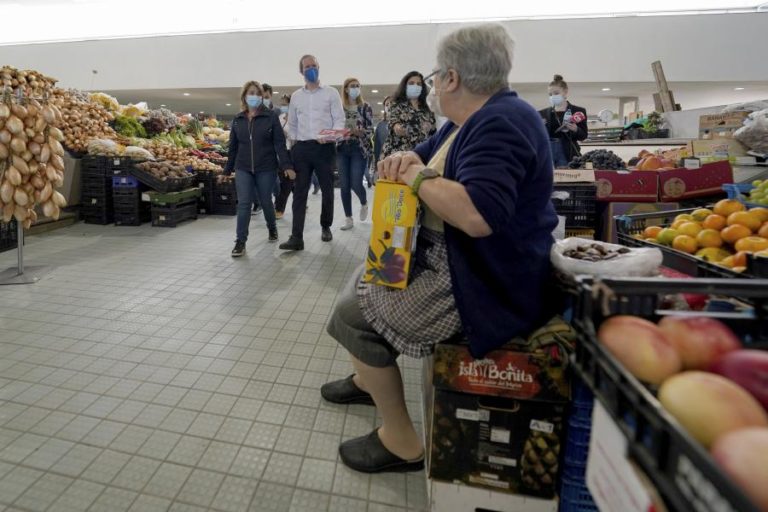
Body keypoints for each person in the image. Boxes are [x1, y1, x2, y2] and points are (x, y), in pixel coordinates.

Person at [319, 24, 558, 474]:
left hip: (482, 281)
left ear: (450, 78)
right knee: (360, 280)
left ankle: (403, 442)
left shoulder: (501, 123)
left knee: (351, 315)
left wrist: (415, 176)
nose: (427, 87)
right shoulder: (469, 122)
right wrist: (408, 160)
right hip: (456, 260)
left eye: (432, 78)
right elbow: (422, 155)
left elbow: (478, 216)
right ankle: (368, 378)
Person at [280, 54, 345, 251]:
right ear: (301, 71)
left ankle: (326, 226)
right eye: (307, 66)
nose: (311, 69)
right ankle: (296, 237)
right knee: (299, 193)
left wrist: (330, 136)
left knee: (327, 190)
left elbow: (340, 121)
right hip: (302, 149)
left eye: (314, 65)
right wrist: (295, 145)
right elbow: (291, 125)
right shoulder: (297, 97)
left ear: (319, 67)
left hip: (324, 148)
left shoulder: (331, 93)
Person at [225, 81, 294, 257]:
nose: (254, 96)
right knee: (244, 204)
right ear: (244, 96)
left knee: (265, 201)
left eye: (257, 93)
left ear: (261, 97)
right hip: (243, 167)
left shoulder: (270, 117)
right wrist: (226, 170)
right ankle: (240, 241)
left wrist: (286, 165)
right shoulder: (238, 119)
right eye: (251, 93)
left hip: (266, 167)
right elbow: (232, 147)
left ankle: (272, 228)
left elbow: (279, 144)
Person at [337, 77, 373, 231]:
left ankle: (364, 202)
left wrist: (361, 132)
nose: (355, 88)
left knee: (355, 182)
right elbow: (333, 127)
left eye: (358, 86)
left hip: (359, 148)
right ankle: (348, 218)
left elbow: (371, 128)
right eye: (352, 86)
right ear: (345, 89)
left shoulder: (365, 107)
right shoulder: (339, 107)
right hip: (342, 148)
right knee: (344, 185)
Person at [381, 71, 435, 158]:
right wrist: (397, 127)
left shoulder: (427, 108)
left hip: (420, 155)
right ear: (405, 86)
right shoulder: (396, 104)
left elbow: (433, 131)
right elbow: (393, 121)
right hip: (398, 154)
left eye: (419, 84)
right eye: (411, 83)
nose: (415, 86)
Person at [539, 74, 588, 168]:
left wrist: (576, 129)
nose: (553, 96)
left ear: (565, 92)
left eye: (556, 93)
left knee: (567, 179)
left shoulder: (578, 111)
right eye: (550, 94)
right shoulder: (542, 113)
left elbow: (584, 136)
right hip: (547, 152)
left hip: (567, 152)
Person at [274, 93, 294, 220]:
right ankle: (279, 206)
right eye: (281, 104)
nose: (283, 107)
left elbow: (297, 135)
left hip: (293, 152)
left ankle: (279, 208)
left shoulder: (296, 118)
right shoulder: (280, 117)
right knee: (284, 180)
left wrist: (287, 134)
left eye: (285, 104)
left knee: (287, 181)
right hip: (281, 152)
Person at [371, 96, 391, 185]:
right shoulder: (381, 125)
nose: (389, 106)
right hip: (384, 162)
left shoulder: (405, 123)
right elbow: (377, 147)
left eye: (392, 104)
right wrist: (376, 166)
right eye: (387, 105)